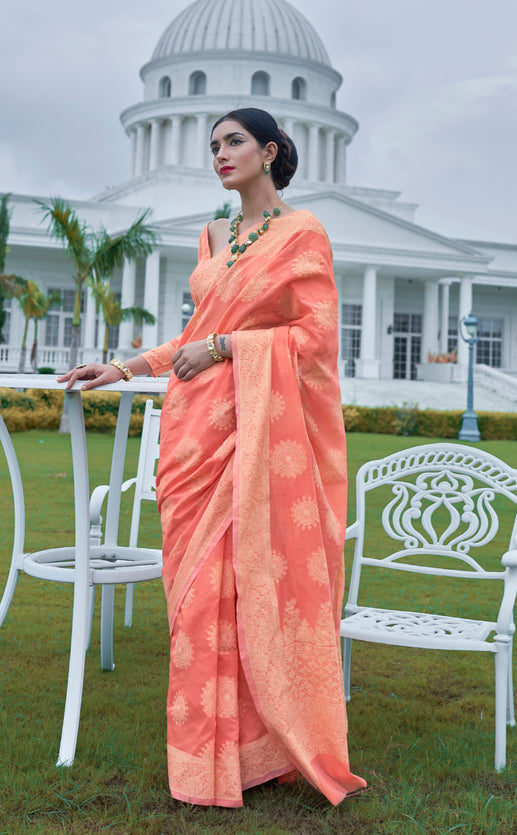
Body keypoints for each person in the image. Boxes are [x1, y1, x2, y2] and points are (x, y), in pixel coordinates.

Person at [59, 107, 366, 807]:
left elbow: (313, 341)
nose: (220, 154)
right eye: (213, 145)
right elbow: (195, 334)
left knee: (246, 586)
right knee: (194, 595)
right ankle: (207, 753)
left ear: (270, 150)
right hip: (194, 433)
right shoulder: (211, 234)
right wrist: (125, 365)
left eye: (234, 142)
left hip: (259, 436)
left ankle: (253, 753)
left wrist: (230, 348)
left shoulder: (301, 234)